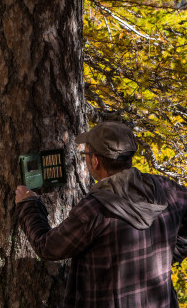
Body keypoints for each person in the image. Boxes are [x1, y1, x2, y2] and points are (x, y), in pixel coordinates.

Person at [16, 121, 187, 307]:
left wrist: (29, 205)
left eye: (86, 154)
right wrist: (170, 253)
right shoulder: (166, 189)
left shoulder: (96, 208)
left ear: (95, 161)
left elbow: (48, 247)